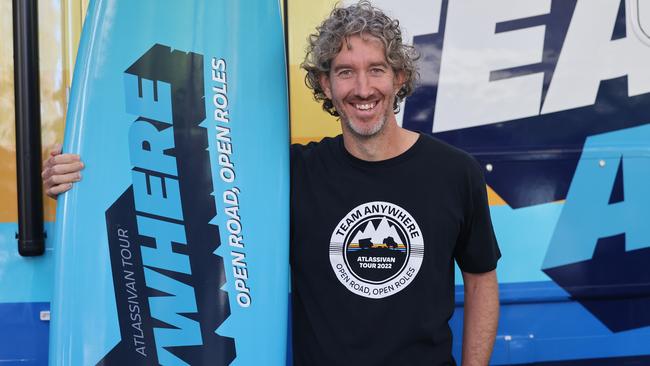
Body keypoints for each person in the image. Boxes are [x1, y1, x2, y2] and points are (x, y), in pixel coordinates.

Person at [43, 2, 500, 365]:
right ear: (325, 84)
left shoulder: (455, 172)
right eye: (345, 72)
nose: (363, 88)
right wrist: (78, 176)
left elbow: (481, 281)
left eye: (376, 69)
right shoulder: (289, 175)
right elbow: (177, 165)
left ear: (399, 77)